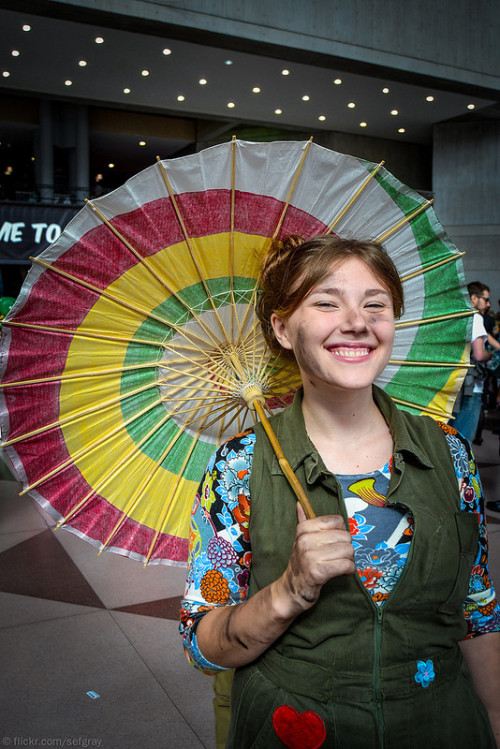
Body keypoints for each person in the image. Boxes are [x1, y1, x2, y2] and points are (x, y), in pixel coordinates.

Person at [180, 235, 500, 749]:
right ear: (283, 329)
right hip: (293, 729)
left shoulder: (450, 453)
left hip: (443, 726)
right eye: (326, 302)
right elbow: (203, 643)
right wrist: (289, 591)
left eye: (376, 305)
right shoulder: (238, 466)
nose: (357, 321)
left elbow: (478, 612)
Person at [451, 282, 492, 443]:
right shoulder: (475, 318)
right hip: (471, 387)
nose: (488, 304)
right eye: (486, 299)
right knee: (463, 442)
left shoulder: (456, 317)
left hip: (456, 384)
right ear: (474, 298)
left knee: (451, 438)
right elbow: (480, 355)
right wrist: (490, 354)